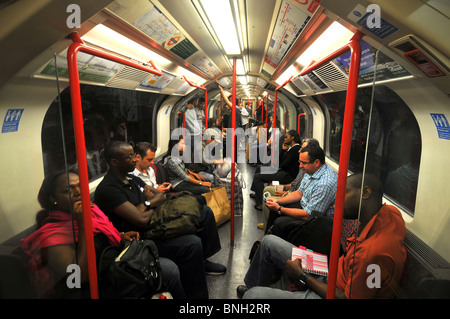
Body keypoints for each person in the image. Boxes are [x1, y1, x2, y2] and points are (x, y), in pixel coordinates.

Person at [237, 173, 407, 299]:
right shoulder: (391, 214)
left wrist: (302, 276)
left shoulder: (372, 254)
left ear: (365, 193)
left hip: (331, 292)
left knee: (253, 297)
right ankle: (252, 285)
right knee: (268, 243)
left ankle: (254, 293)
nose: (337, 201)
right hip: (332, 270)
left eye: (345, 193)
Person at [21, 170, 185, 299]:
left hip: (111, 267)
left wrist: (120, 235)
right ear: (53, 198)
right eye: (68, 190)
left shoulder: (91, 210)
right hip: (92, 287)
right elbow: (80, 277)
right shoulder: (52, 238)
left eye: (80, 186)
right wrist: (83, 225)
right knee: (167, 270)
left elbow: (101, 234)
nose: (78, 192)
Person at [94, 141, 226, 299]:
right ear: (114, 162)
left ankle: (202, 262)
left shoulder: (132, 179)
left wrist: (144, 206)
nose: (135, 160)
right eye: (129, 157)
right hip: (138, 239)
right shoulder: (108, 189)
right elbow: (140, 219)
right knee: (192, 243)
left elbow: (160, 196)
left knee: (200, 211)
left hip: (153, 225)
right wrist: (149, 204)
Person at [264, 144, 338, 233]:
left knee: (279, 222)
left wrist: (280, 208)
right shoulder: (310, 171)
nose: (300, 166)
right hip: (304, 206)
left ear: (316, 162)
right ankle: (267, 239)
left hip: (316, 221)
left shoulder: (325, 184)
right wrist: (278, 202)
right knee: (274, 211)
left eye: (303, 163)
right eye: (300, 162)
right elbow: (299, 193)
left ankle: (272, 243)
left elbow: (308, 215)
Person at [258, 138, 320, 231]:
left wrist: (281, 202)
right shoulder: (306, 167)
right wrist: (282, 188)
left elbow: (308, 212)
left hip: (296, 200)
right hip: (292, 192)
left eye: (302, 149)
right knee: (268, 190)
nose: (299, 150)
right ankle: (267, 225)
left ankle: (269, 228)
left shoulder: (311, 171)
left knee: (278, 216)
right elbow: (297, 188)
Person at [250, 130, 302, 210]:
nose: (284, 139)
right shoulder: (290, 148)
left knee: (258, 177)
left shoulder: (296, 149)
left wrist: (277, 166)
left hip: (287, 175)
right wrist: (284, 151)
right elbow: (282, 162)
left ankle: (260, 203)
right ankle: (257, 192)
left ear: (292, 138)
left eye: (286, 137)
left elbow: (284, 164)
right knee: (259, 168)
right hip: (282, 171)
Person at [180, 97, 203, 164]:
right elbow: (179, 110)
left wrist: (200, 133)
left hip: (196, 134)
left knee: (196, 152)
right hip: (190, 135)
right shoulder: (185, 108)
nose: (197, 103)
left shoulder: (193, 109)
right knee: (190, 153)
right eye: (197, 101)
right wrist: (186, 107)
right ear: (194, 100)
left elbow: (195, 122)